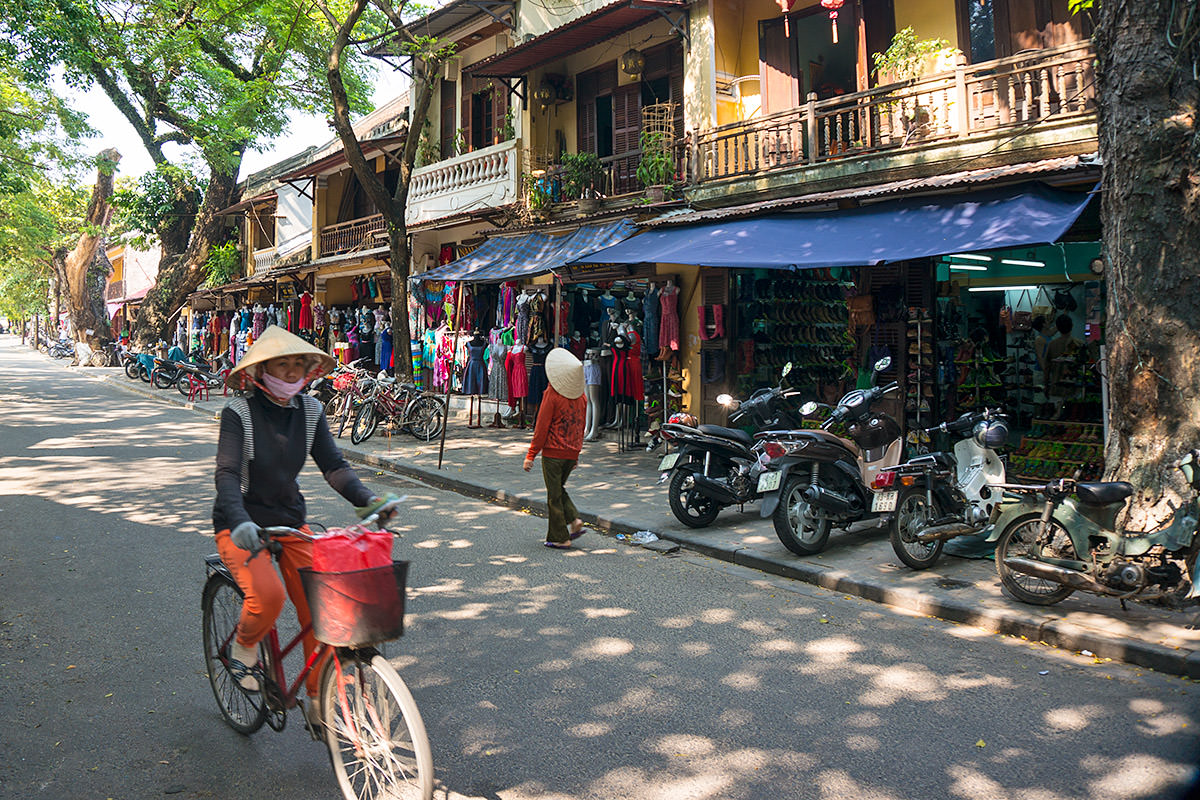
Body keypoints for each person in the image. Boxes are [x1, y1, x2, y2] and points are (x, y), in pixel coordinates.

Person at [213, 326, 399, 726]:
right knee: (268, 597)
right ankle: (243, 648)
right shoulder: (239, 413)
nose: (293, 370)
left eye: (299, 363)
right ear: (262, 369)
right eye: (284, 363)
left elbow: (333, 466)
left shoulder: (311, 411)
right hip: (240, 524)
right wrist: (240, 519)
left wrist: (368, 500)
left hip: (290, 524)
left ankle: (318, 698)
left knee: (325, 608)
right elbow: (227, 476)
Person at [522, 348, 588, 549]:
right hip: (571, 451)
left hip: (553, 451)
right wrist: (576, 454)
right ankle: (574, 520)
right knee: (557, 489)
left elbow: (541, 426)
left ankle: (561, 536)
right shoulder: (582, 398)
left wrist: (531, 454)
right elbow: (580, 426)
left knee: (554, 495)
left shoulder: (552, 394)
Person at [1044, 314, 1082, 415]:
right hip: (1074, 386)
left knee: (1056, 417)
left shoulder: (1052, 345)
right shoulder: (1079, 344)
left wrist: (1046, 385)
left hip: (1056, 385)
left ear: (1058, 327)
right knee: (1074, 416)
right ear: (1072, 326)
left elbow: (1047, 367)